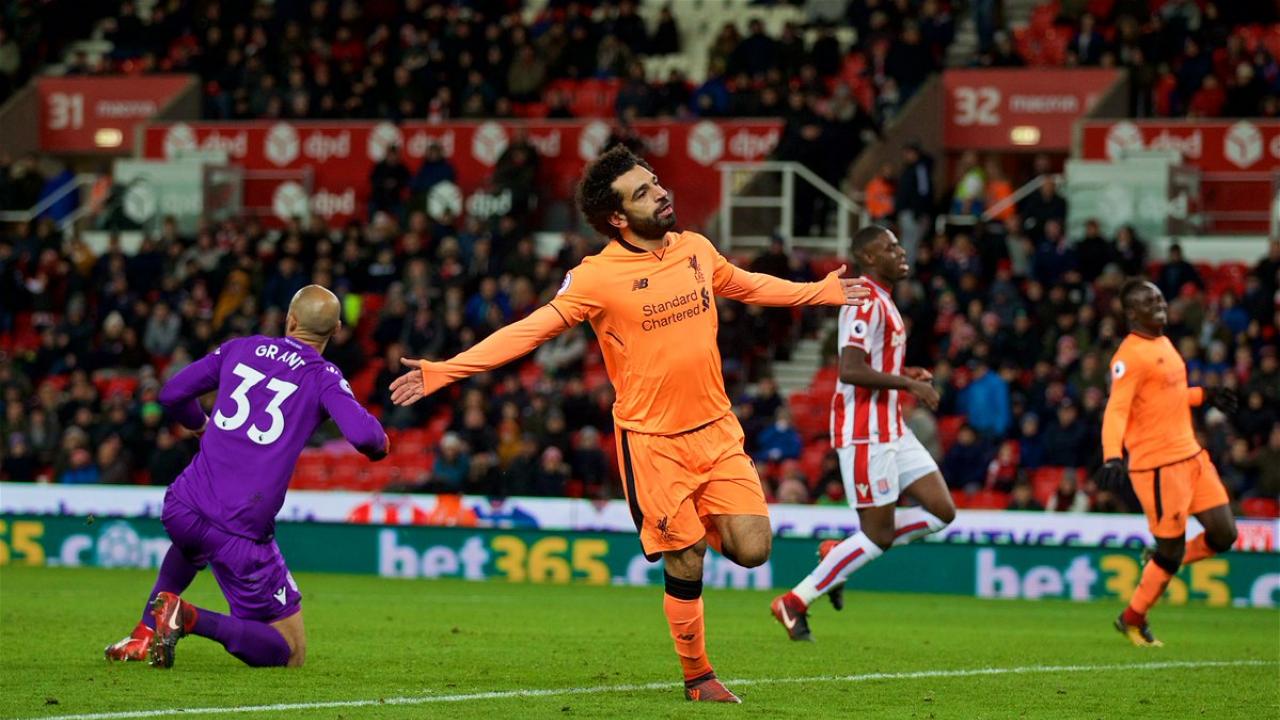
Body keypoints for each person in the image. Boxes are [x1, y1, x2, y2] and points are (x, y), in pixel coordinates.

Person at [388, 145, 870, 703]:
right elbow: (530, 329)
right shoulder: (596, 277)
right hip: (652, 442)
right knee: (686, 557)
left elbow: (747, 283)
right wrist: (447, 370)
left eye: (656, 182)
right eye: (642, 192)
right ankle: (698, 677)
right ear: (617, 218)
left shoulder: (694, 248)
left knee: (754, 549)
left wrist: (823, 292)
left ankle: (692, 526)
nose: (660, 192)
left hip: (717, 430)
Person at [104, 286, 388, 668]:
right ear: (335, 330)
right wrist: (383, 444)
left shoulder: (242, 347)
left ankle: (142, 635)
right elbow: (366, 438)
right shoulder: (322, 377)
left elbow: (172, 394)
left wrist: (200, 425)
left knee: (192, 546)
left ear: (289, 319)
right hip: (238, 528)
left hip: (183, 505)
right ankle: (188, 617)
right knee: (288, 652)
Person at [770, 225, 955, 641]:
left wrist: (904, 373)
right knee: (877, 536)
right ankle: (795, 601)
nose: (901, 251)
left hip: (891, 428)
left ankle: (842, 552)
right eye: (890, 248)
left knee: (941, 512)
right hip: (864, 433)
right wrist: (909, 385)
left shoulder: (882, 299)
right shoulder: (864, 299)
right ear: (869, 258)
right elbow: (850, 370)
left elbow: (871, 362)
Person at [1096, 280, 1238, 647]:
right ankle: (1132, 618)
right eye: (1149, 301)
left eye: (1160, 297)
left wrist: (1204, 395)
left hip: (1191, 456)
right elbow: (1117, 409)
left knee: (1224, 534)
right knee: (1171, 550)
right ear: (1131, 313)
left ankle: (1157, 559)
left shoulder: (1163, 342)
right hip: (1158, 466)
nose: (1159, 303)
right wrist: (1112, 455)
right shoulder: (1129, 357)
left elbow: (1167, 395)